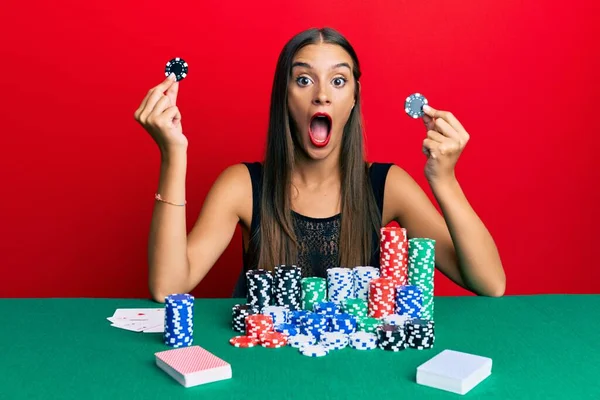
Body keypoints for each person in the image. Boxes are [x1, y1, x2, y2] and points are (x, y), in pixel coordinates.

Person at [134, 27, 506, 303]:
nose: (322, 94)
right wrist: (173, 155)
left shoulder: (387, 185)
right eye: (304, 79)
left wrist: (445, 180)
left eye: (339, 80)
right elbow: (169, 286)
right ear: (285, 95)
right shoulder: (242, 186)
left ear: (354, 98)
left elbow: (489, 283)